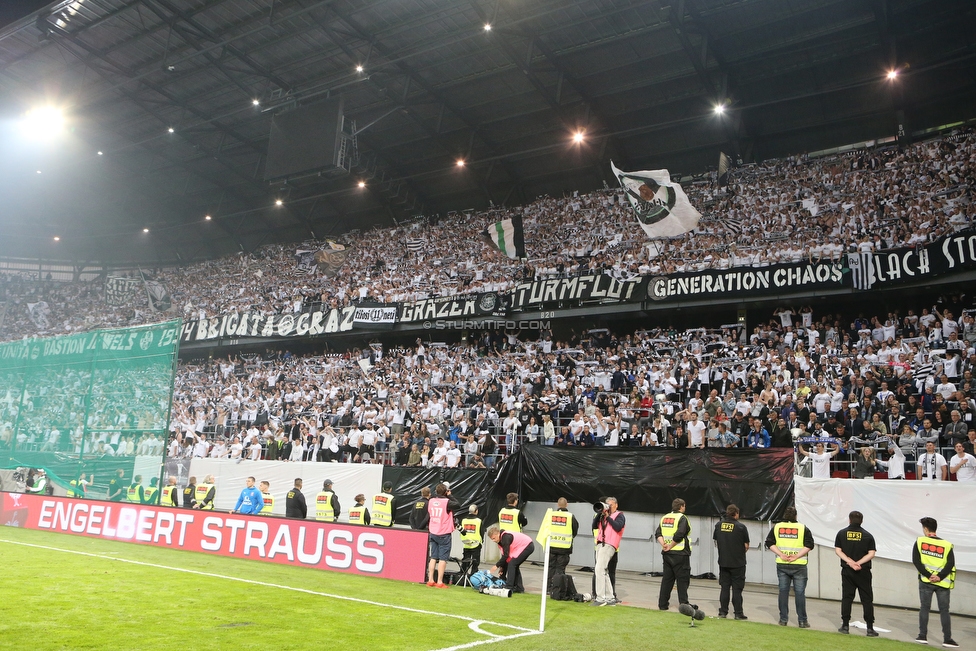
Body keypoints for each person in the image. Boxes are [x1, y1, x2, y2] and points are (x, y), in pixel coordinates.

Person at [765, 506, 814, 628]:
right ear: (796, 516)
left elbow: (769, 542)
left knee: (783, 592)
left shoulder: (777, 527)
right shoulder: (802, 528)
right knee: (799, 593)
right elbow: (809, 545)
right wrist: (796, 556)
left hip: (782, 564)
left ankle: (783, 620)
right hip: (799, 565)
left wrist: (781, 554)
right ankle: (802, 621)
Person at [913, 517, 957, 647]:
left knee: (924, 608)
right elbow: (951, 564)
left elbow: (916, 561)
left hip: (926, 581)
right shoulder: (947, 545)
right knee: (944, 610)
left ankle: (922, 636)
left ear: (925, 529)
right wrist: (940, 577)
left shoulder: (920, 541)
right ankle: (947, 639)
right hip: (942, 583)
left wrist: (928, 575)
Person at [834, 511, 878, 636]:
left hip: (847, 571)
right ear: (862, 521)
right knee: (867, 599)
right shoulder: (868, 536)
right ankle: (869, 628)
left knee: (847, 598)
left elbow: (838, 550)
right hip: (863, 571)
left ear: (849, 520)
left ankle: (845, 626)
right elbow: (871, 553)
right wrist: (858, 563)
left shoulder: (842, 534)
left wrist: (850, 562)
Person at [713, 503, 750, 620]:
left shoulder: (718, 525)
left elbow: (716, 541)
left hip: (723, 562)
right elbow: (746, 545)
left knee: (724, 588)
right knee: (737, 589)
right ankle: (738, 613)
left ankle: (723, 612)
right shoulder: (741, 527)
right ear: (736, 514)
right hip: (738, 563)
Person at [656, 497, 691, 611]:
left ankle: (663, 604)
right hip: (680, 553)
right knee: (682, 580)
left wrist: (664, 545)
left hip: (667, 554)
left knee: (667, 579)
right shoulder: (682, 518)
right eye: (684, 506)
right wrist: (671, 545)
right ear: (681, 507)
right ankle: (684, 605)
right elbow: (679, 534)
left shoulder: (665, 517)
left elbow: (658, 533)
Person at [538, 497, 579, 587]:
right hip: (564, 548)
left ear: (557, 504)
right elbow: (575, 530)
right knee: (560, 569)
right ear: (567, 504)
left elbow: (545, 528)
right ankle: (558, 588)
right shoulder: (570, 516)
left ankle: (548, 587)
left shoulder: (551, 515)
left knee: (550, 568)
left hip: (551, 546)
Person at [426, 482, 460, 588]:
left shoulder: (431, 501)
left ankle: (430, 579)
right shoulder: (447, 502)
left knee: (433, 557)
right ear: (445, 492)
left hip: (433, 531)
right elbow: (458, 505)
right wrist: (450, 495)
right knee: (442, 559)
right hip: (444, 532)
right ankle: (439, 581)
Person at [594, 497, 625, 606]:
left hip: (609, 544)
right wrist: (600, 513)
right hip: (601, 544)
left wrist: (609, 518)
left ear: (616, 505)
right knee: (604, 571)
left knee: (599, 569)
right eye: (607, 505)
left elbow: (618, 527)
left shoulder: (620, 515)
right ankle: (610, 597)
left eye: (610, 505)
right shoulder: (603, 516)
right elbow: (594, 525)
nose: (608, 507)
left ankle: (600, 598)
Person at [487, 523, 535, 594]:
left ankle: (509, 587)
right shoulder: (500, 541)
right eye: (492, 539)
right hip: (521, 547)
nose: (493, 541)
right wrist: (502, 568)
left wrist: (496, 566)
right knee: (514, 564)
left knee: (512, 564)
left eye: (494, 538)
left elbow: (506, 555)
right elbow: (505, 557)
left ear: (498, 534)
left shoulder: (506, 537)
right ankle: (519, 588)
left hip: (527, 545)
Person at [459, 505, 483, 576]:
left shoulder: (463, 520)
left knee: (465, 561)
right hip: (476, 543)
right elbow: (481, 532)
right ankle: (474, 575)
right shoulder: (479, 521)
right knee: (475, 561)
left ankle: (462, 575)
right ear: (476, 511)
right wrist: (482, 541)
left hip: (466, 543)